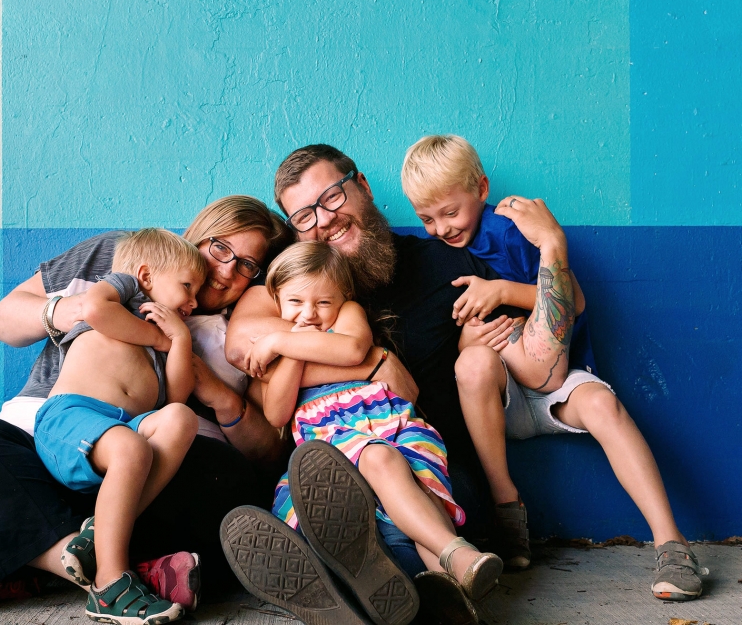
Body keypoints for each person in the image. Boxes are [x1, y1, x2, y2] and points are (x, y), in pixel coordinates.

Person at [221, 145, 557, 625]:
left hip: (429, 463)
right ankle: (425, 596)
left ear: (362, 186)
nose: (324, 219)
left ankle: (362, 592)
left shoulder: (445, 263)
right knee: (324, 505)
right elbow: (244, 348)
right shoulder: (298, 277)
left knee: (378, 505)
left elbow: (544, 348)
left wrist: (549, 253)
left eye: (332, 196)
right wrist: (373, 366)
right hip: (329, 466)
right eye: (305, 215)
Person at [0, 196, 291, 610]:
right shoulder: (119, 258)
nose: (225, 271)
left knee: (234, 486)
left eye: (247, 265)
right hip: (40, 456)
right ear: (197, 235)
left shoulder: (247, 326)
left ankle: (35, 564)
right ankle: (119, 573)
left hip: (152, 477)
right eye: (219, 248)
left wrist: (215, 390)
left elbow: (268, 453)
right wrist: (79, 311)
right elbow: (1, 322)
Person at [401, 133, 708, 601]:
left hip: (556, 380)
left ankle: (672, 543)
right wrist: (468, 336)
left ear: (481, 188)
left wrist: (503, 290)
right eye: (427, 218)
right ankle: (506, 509)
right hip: (501, 392)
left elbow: (575, 301)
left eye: (450, 212)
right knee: (473, 362)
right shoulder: (440, 255)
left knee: (604, 406)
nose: (441, 228)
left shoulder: (509, 231)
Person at [252, 242, 502, 604]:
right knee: (362, 505)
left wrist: (281, 341)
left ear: (343, 297)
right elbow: (276, 413)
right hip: (329, 450)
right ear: (276, 300)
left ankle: (455, 564)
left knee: (407, 483)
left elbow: (354, 349)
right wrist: (292, 347)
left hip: (389, 427)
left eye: (323, 302)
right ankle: (450, 590)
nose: (309, 314)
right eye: (295, 302)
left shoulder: (347, 315)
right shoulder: (287, 347)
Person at [34, 228, 206, 624]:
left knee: (181, 419)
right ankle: (109, 585)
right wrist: (158, 339)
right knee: (131, 447)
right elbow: (94, 310)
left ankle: (96, 537)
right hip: (70, 417)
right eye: (187, 286)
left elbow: (176, 396)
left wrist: (179, 340)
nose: (194, 302)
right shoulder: (124, 291)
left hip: (125, 430)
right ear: (146, 276)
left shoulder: (167, 336)